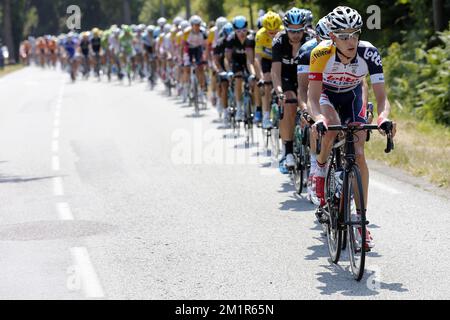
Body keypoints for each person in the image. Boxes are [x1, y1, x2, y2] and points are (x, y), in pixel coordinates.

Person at [308, 6, 396, 249]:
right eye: (344, 36)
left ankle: (360, 221)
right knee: (332, 129)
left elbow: (381, 97)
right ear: (332, 37)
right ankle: (321, 168)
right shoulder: (320, 54)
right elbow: (313, 98)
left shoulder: (370, 53)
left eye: (354, 34)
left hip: (353, 94)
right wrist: (317, 119)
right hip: (327, 96)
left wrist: (382, 118)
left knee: (358, 154)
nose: (351, 41)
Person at [271, 7, 310, 174]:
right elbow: (275, 72)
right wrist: (279, 92)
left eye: (299, 31)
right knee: (288, 102)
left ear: (304, 28)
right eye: (292, 31)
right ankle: (287, 151)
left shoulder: (310, 40)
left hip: (305, 77)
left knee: (309, 105)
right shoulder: (279, 42)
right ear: (286, 29)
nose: (296, 35)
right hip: (286, 77)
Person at [254, 11, 283, 128]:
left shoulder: (283, 31)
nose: (272, 34)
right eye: (270, 32)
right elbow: (257, 58)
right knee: (266, 83)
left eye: (275, 31)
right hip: (266, 60)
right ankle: (266, 115)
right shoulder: (260, 35)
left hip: (279, 59)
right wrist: (260, 76)